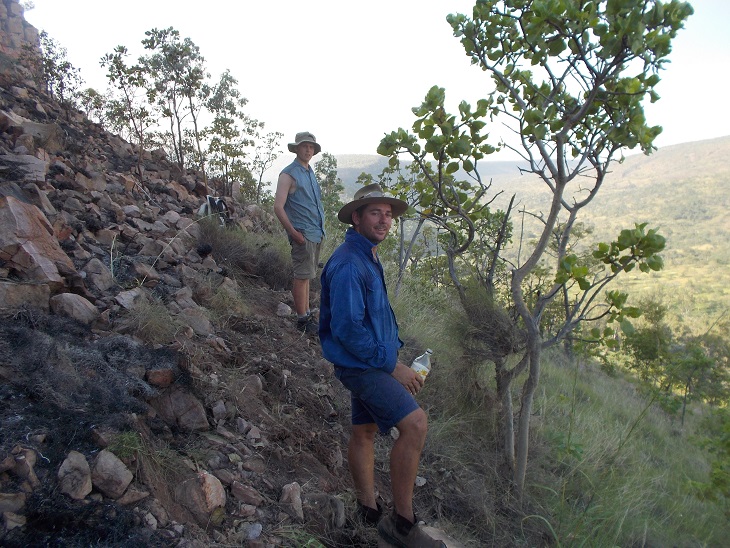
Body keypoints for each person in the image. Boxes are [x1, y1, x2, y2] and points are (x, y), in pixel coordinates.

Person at [319, 184, 446, 548]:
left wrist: (394, 359)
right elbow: (347, 329)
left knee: (364, 432)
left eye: (388, 214)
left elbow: (369, 323)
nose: (385, 220)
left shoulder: (368, 255)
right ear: (357, 217)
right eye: (376, 212)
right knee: (415, 424)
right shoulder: (348, 263)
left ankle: (367, 510)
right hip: (362, 367)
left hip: (370, 361)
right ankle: (402, 525)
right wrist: (394, 366)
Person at [274, 131, 326, 333]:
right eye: (304, 146)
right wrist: (294, 233)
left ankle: (305, 313)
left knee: (308, 276)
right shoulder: (288, 174)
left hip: (315, 233)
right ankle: (302, 318)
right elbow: (278, 207)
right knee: (302, 275)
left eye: (311, 147)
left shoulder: (309, 172)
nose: (308, 150)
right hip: (303, 233)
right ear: (296, 148)